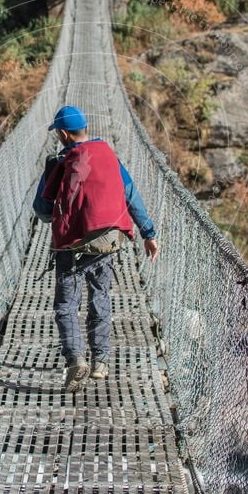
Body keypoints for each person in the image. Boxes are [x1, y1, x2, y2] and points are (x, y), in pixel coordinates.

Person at [32, 105, 159, 392]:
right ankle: (100, 361)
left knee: (67, 304)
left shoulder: (60, 161)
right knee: (100, 296)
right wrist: (147, 233)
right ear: (85, 128)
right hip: (107, 240)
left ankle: (76, 358)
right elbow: (131, 195)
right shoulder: (110, 155)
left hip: (71, 245)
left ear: (63, 134)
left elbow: (42, 210)